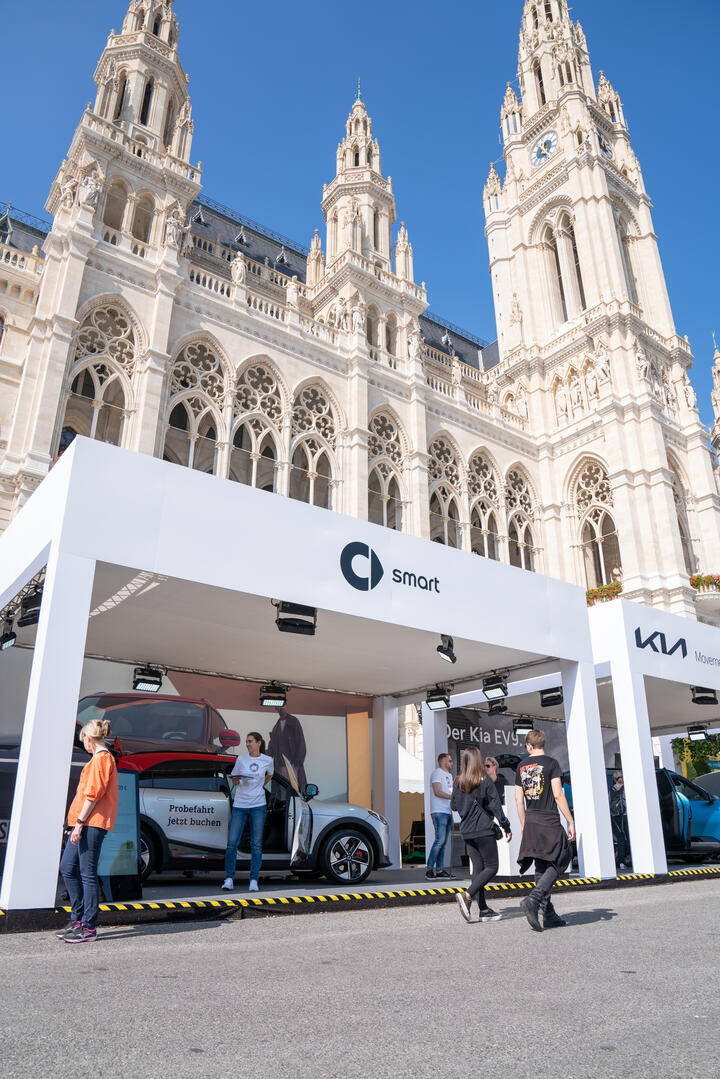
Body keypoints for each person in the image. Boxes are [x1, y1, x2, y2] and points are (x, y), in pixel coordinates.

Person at [57, 718, 118, 943]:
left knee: (87, 873)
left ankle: (88, 926)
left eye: (83, 739)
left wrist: (79, 823)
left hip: (91, 823)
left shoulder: (102, 760)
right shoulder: (98, 760)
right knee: (68, 868)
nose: (83, 744)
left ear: (89, 739)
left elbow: (93, 794)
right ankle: (78, 919)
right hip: (83, 823)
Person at [515, 729, 575, 932]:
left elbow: (518, 799)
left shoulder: (521, 766)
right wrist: (570, 821)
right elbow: (558, 794)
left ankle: (548, 914)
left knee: (541, 865)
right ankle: (533, 900)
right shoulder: (551, 763)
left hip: (531, 820)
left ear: (529, 746)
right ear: (543, 744)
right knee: (563, 856)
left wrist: (524, 825)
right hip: (548, 818)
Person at [451, 747, 511, 922]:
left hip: (467, 831)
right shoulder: (483, 780)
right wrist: (506, 826)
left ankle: (483, 909)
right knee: (492, 867)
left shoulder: (458, 781)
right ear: (478, 760)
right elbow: (495, 806)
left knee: (478, 870)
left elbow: (454, 806)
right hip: (484, 830)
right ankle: (467, 896)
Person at [222, 732, 273, 892]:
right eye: (246, 742)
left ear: (259, 743)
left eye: (250, 741)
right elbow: (235, 779)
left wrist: (260, 786)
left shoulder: (268, 760)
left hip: (258, 806)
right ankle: (229, 878)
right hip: (240, 805)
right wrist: (236, 780)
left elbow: (270, 774)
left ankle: (253, 880)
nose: (247, 744)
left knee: (256, 845)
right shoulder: (241, 759)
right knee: (232, 844)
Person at [426, 753, 455, 880]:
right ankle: (429, 868)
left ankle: (439, 869)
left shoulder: (449, 775)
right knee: (440, 840)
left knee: (442, 842)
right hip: (439, 811)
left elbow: (449, 791)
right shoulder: (437, 773)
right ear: (443, 761)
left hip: (447, 811)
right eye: (450, 761)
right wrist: (452, 797)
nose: (452, 763)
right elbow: (437, 792)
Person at [267, 705, 307, 792]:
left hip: (292, 765)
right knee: (283, 794)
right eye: (278, 706)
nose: (280, 708)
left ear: (286, 706)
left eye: (282, 706)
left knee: (295, 793)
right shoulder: (276, 727)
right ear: (275, 708)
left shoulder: (294, 722)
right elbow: (271, 749)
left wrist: (296, 766)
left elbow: (301, 744)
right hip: (280, 767)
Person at [609, 771, 630, 869]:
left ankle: (621, 862)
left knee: (620, 838)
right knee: (629, 837)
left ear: (614, 779)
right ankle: (629, 859)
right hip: (625, 815)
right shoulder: (626, 789)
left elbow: (609, 803)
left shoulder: (612, 790)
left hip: (615, 816)